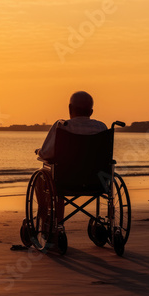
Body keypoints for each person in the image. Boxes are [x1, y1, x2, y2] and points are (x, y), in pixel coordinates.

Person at [35, 91, 107, 224]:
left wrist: (39, 152)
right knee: (58, 175)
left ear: (70, 108)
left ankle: (46, 216)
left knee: (42, 176)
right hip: (97, 182)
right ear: (91, 111)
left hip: (66, 181)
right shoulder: (101, 127)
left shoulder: (62, 126)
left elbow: (47, 153)